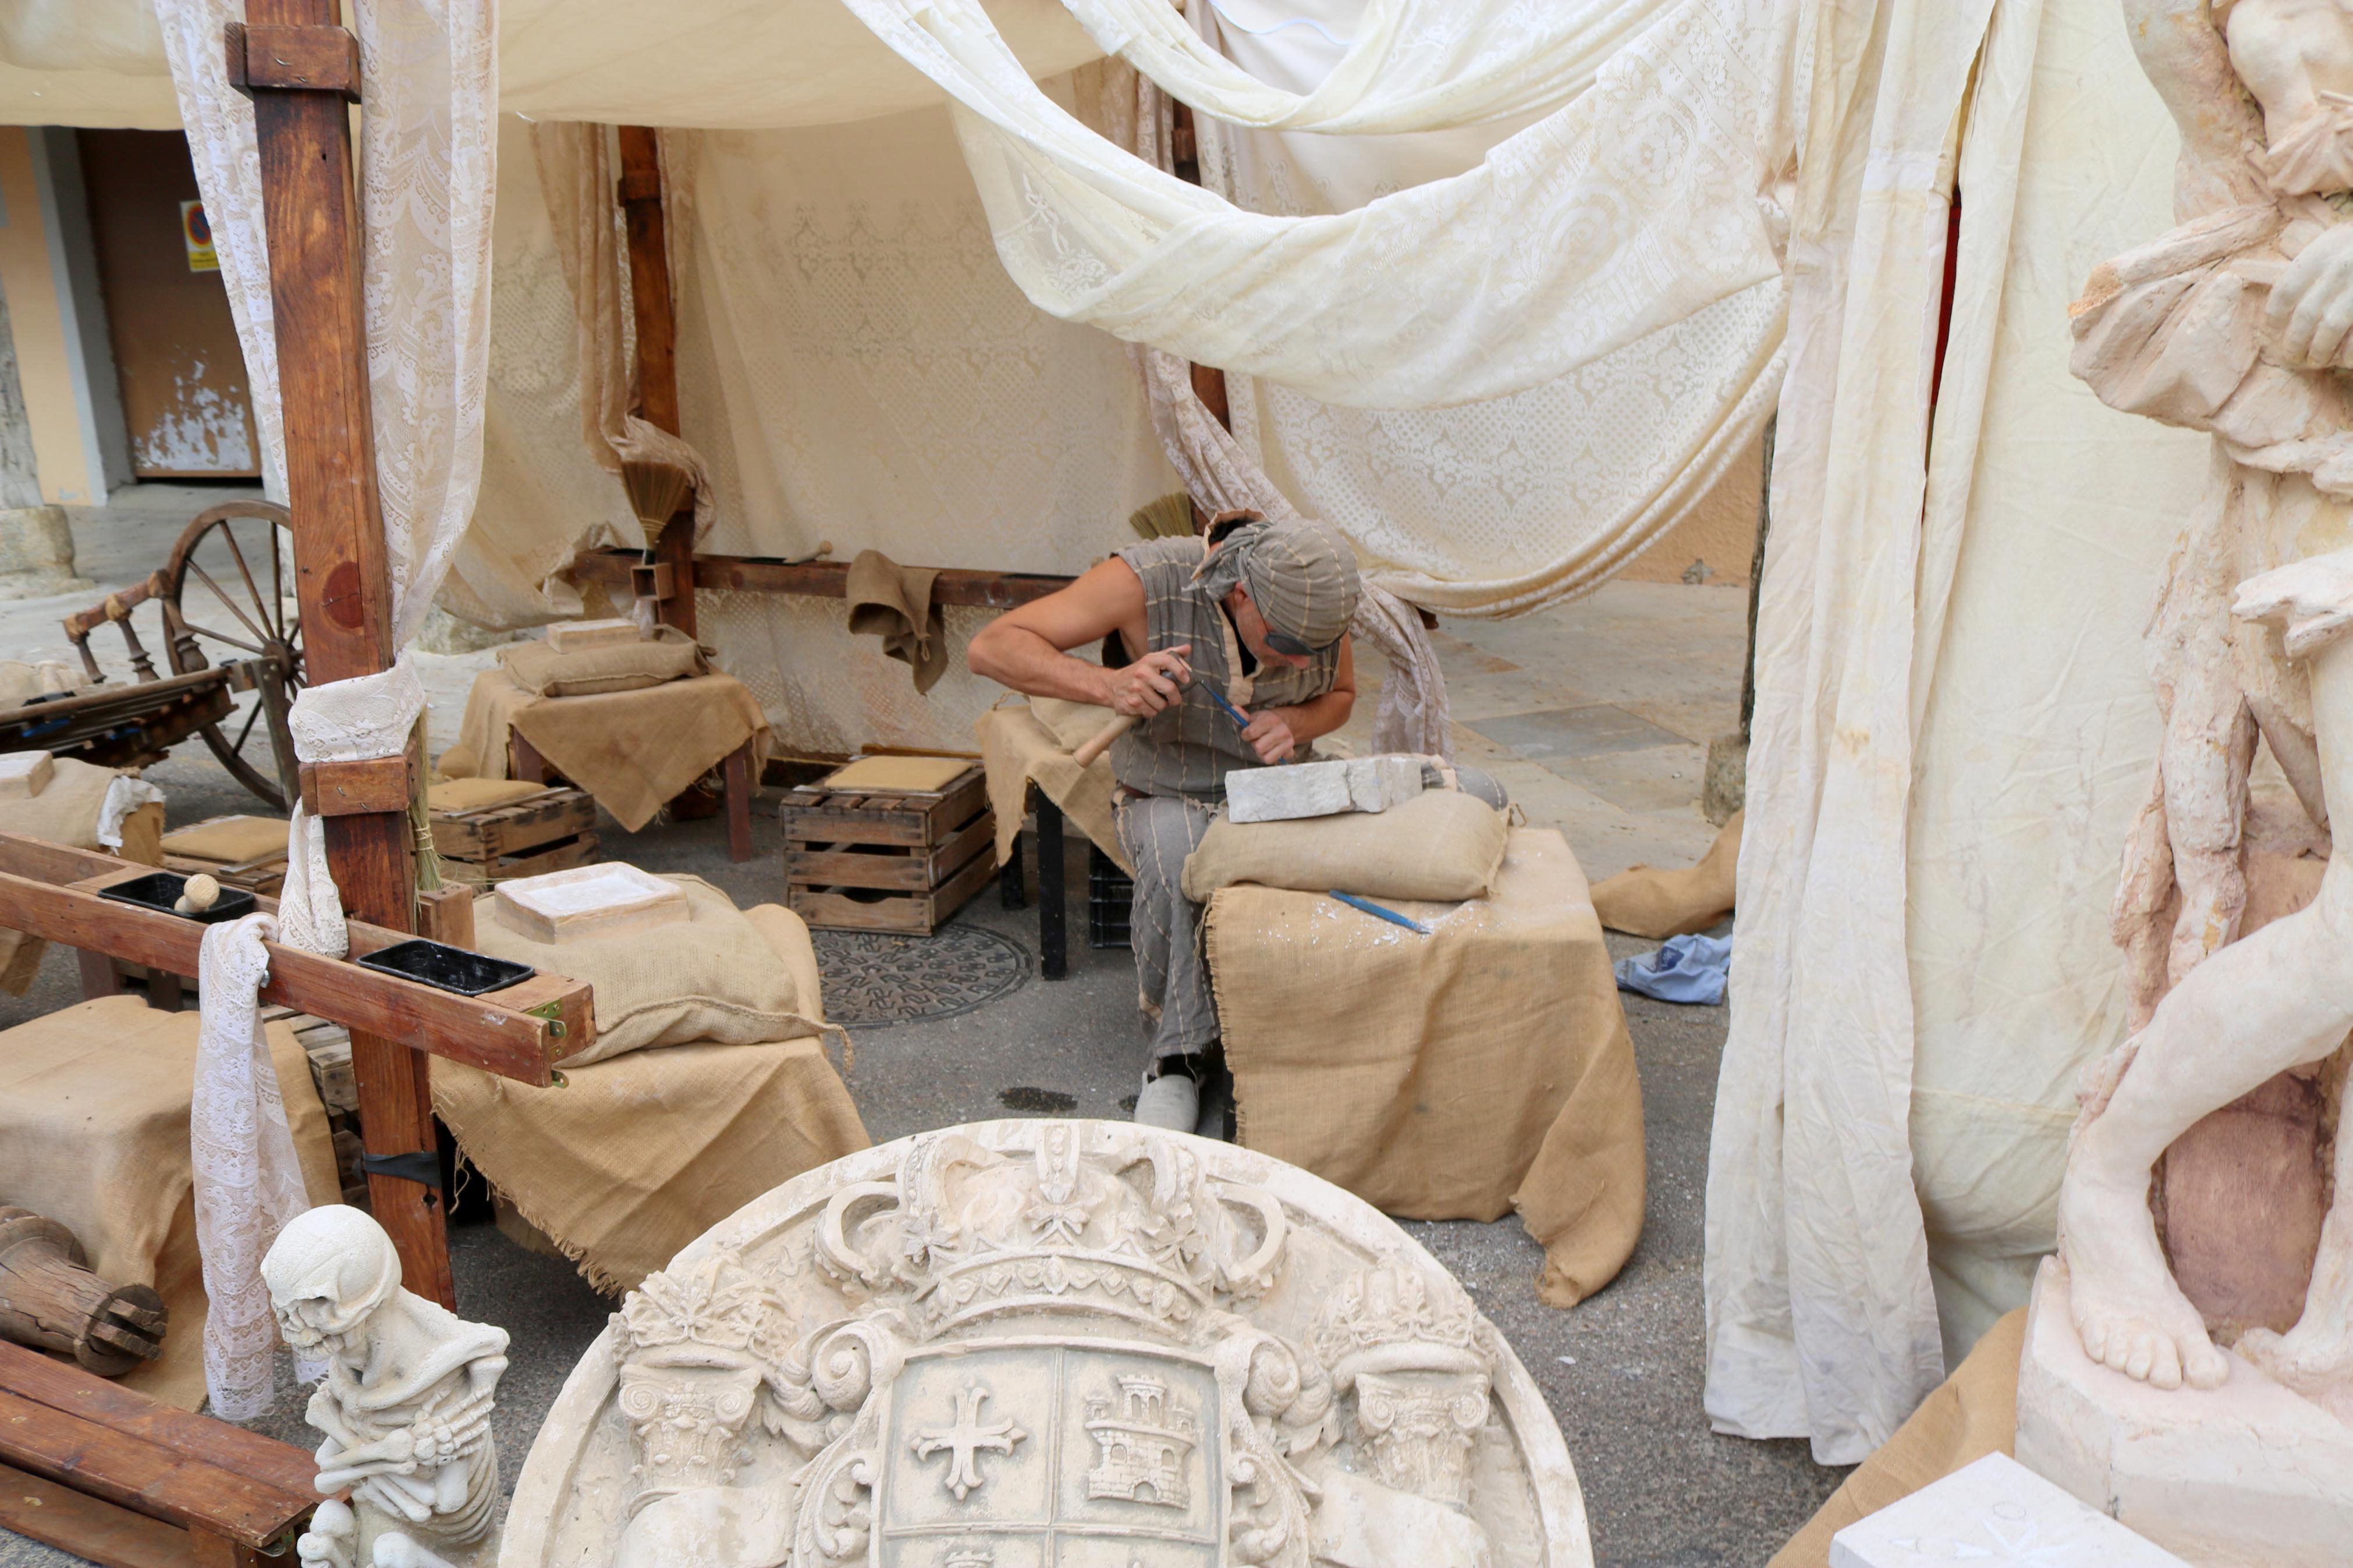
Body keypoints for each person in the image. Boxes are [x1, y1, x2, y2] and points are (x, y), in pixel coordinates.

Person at [968, 509, 1360, 1132]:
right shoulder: (1147, 579)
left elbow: (1338, 697)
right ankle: (1174, 1059)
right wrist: (1110, 685)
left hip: (1274, 787)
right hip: (1167, 786)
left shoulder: (1316, 603)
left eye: (1310, 651)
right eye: (1283, 647)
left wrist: (1298, 723)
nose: (1294, 665)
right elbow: (990, 648)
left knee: (1336, 872)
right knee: (1179, 859)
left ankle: (1285, 1043)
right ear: (1240, 594)